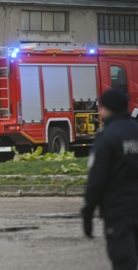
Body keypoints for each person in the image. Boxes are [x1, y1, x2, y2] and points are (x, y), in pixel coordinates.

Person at [81, 88, 138, 270]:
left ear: (106, 109)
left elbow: (97, 179)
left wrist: (87, 213)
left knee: (123, 261)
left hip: (118, 212)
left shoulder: (107, 137)